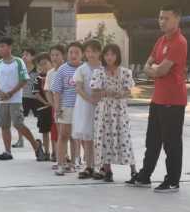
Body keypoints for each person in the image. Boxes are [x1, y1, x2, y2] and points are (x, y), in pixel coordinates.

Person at [130, 5, 188, 192]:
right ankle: (145, 176)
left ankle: (172, 181)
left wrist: (154, 70)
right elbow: (148, 66)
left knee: (171, 143)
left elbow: (161, 70)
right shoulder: (161, 40)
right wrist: (154, 70)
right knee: (152, 140)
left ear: (177, 19)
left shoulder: (179, 42)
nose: (162, 21)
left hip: (173, 100)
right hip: (158, 99)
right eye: (160, 18)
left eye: (166, 18)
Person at [0, 37, 44, 161]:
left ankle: (36, 146)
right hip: (1, 100)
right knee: (4, 125)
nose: (0, 49)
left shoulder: (18, 62)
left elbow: (24, 80)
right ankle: (8, 151)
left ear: (9, 47)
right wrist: (1, 93)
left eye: (3, 46)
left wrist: (11, 92)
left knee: (18, 124)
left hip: (15, 100)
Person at [92, 44, 136, 183]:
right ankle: (108, 170)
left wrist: (122, 93)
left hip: (119, 110)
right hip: (104, 109)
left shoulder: (125, 72)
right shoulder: (98, 72)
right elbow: (94, 92)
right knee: (104, 138)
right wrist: (106, 92)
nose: (109, 57)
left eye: (112, 54)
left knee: (125, 138)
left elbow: (129, 91)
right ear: (103, 56)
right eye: (107, 54)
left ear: (117, 56)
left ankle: (133, 170)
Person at [51, 42, 83, 175]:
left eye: (76, 52)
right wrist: (57, 108)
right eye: (70, 52)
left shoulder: (84, 68)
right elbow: (56, 91)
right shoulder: (62, 69)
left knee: (76, 137)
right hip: (66, 107)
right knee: (63, 135)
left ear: (82, 54)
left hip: (82, 108)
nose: (73, 55)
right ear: (67, 54)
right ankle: (60, 164)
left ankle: (75, 163)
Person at [74, 40, 103, 180]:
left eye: (94, 51)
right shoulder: (81, 69)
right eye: (88, 51)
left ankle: (101, 166)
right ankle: (89, 166)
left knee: (101, 136)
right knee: (88, 137)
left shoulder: (104, 68)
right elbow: (78, 88)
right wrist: (90, 99)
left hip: (102, 105)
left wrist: (98, 98)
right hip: (85, 105)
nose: (91, 54)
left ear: (99, 52)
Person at [45, 45, 66, 163]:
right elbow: (48, 91)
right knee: (58, 134)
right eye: (52, 55)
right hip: (56, 107)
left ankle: (76, 158)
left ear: (63, 55)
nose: (54, 57)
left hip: (69, 106)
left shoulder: (70, 70)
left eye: (57, 54)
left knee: (72, 134)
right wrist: (53, 105)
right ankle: (61, 158)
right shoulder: (50, 73)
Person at [16, 48, 40, 148]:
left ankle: (45, 142)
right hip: (23, 97)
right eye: (23, 54)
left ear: (33, 57)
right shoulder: (20, 70)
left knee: (42, 120)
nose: (24, 57)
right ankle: (20, 140)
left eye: (27, 55)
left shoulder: (38, 70)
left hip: (36, 98)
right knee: (19, 120)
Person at [33, 53, 54, 160]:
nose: (43, 66)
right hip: (42, 109)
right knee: (45, 132)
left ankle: (55, 152)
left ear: (51, 63)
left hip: (54, 108)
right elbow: (35, 93)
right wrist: (46, 102)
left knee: (55, 131)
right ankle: (46, 152)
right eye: (41, 65)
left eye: (45, 63)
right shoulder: (37, 78)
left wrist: (52, 103)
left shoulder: (55, 75)